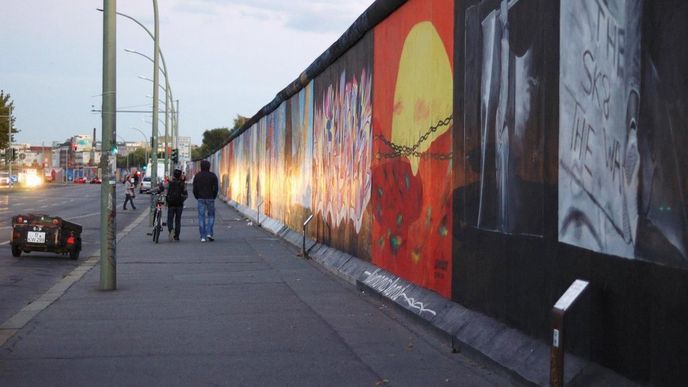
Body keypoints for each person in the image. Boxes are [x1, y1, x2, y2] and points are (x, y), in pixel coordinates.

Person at [192, 160, 218, 242]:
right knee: (211, 216)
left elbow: (194, 188)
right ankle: (209, 232)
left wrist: (197, 196)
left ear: (201, 167)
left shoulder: (197, 176)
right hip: (210, 198)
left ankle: (203, 236)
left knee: (201, 217)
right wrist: (213, 196)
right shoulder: (213, 176)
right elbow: (216, 188)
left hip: (200, 198)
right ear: (209, 167)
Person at [166, 169, 188, 241]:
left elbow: (164, 189)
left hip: (171, 204)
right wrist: (182, 199)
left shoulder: (170, 183)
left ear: (173, 175)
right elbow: (185, 194)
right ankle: (177, 236)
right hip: (179, 204)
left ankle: (171, 230)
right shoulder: (183, 184)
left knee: (170, 219)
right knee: (178, 220)